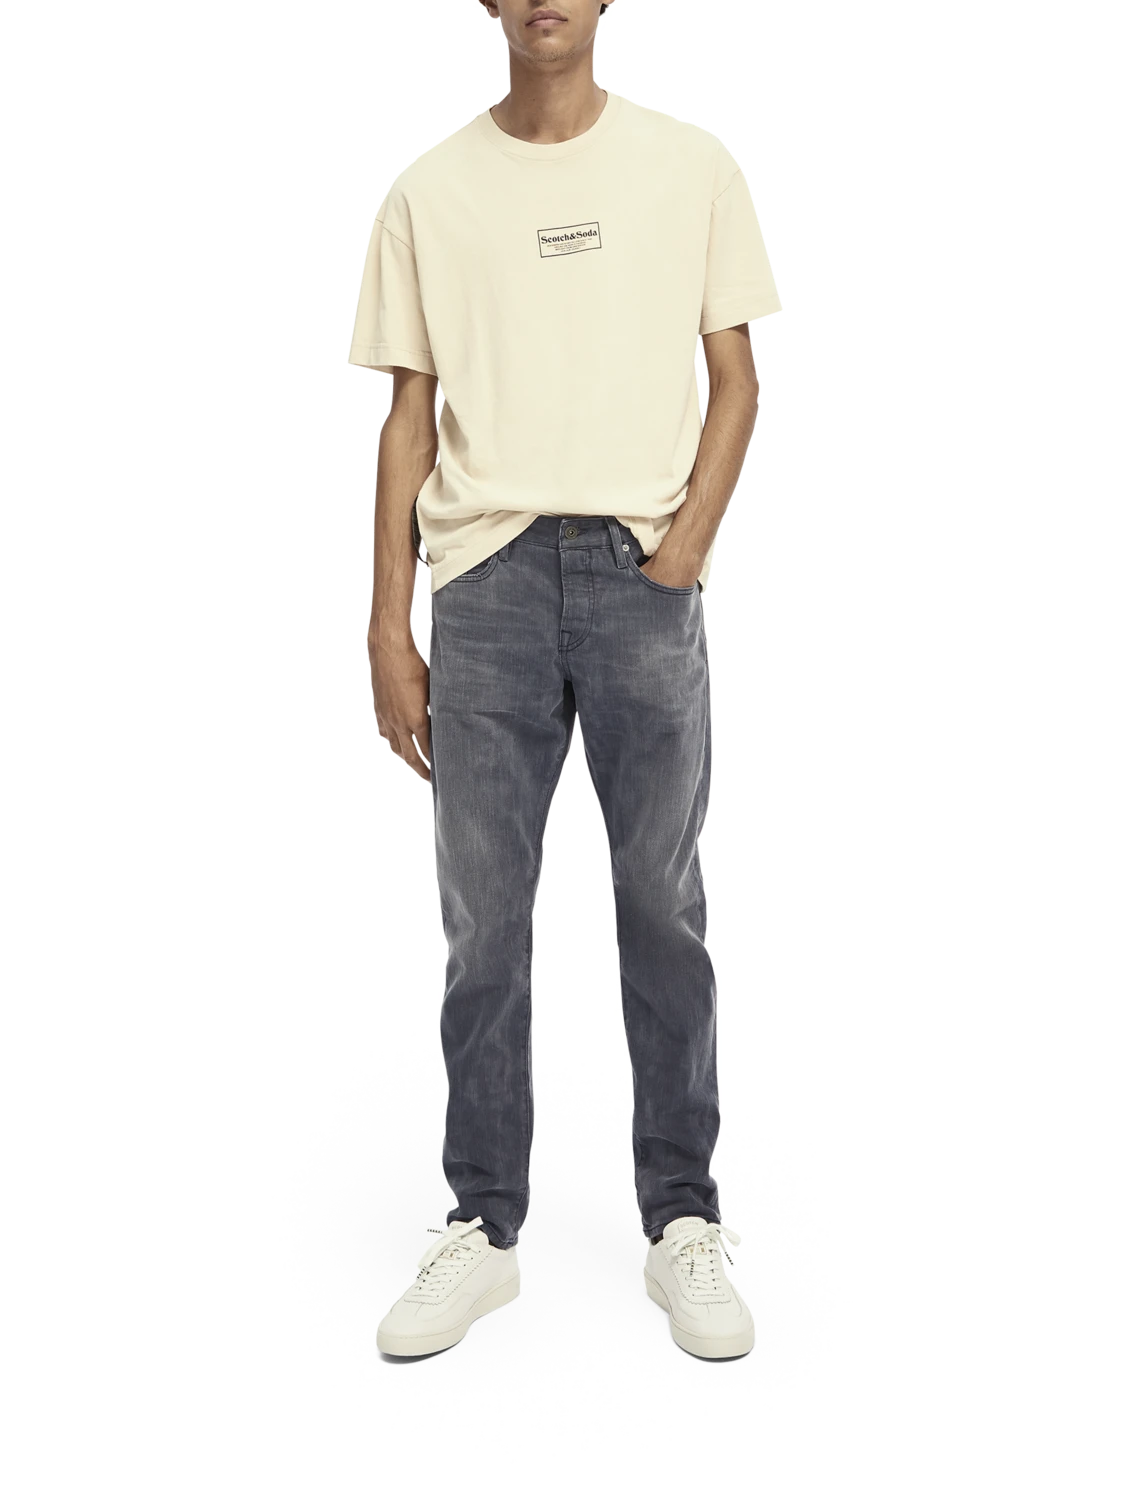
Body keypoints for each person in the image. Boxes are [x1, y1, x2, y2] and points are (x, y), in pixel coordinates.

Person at [352, 0, 780, 1360]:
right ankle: (483, 1225)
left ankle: (682, 1218)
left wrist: (685, 546)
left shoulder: (690, 164)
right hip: (482, 581)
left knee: (664, 900)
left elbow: (735, 373)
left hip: (640, 568)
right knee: (484, 916)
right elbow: (408, 414)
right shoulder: (429, 190)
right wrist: (391, 629)